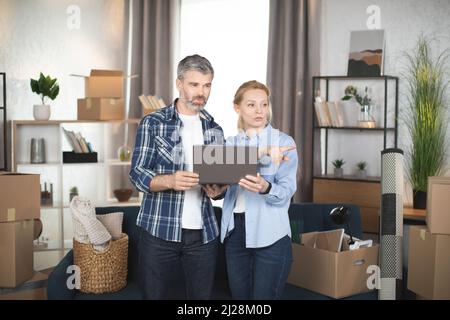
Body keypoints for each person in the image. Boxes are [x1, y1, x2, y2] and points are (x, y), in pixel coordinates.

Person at [129, 54, 227, 299]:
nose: (201, 92)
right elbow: (137, 173)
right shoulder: (153, 123)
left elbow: (220, 182)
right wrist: (170, 180)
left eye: (207, 85)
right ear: (179, 83)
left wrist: (219, 191)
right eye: (194, 85)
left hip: (204, 235)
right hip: (159, 231)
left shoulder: (214, 129)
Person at [219, 80, 298, 300]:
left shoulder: (284, 142)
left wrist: (266, 187)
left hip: (271, 233)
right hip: (235, 233)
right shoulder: (230, 143)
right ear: (237, 108)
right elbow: (218, 181)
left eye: (264, 104)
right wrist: (216, 188)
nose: (259, 111)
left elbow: (287, 190)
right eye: (251, 105)